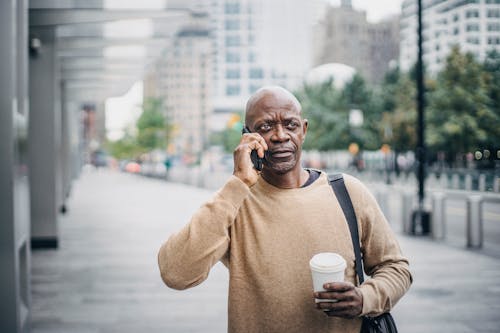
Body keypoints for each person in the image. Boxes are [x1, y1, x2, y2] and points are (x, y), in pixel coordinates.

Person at [157, 86, 412, 332]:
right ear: (247, 135)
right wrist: (238, 183)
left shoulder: (348, 192)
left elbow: (396, 268)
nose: (280, 135)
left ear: (303, 130)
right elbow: (176, 273)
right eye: (265, 127)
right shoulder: (234, 202)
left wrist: (365, 298)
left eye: (290, 125)